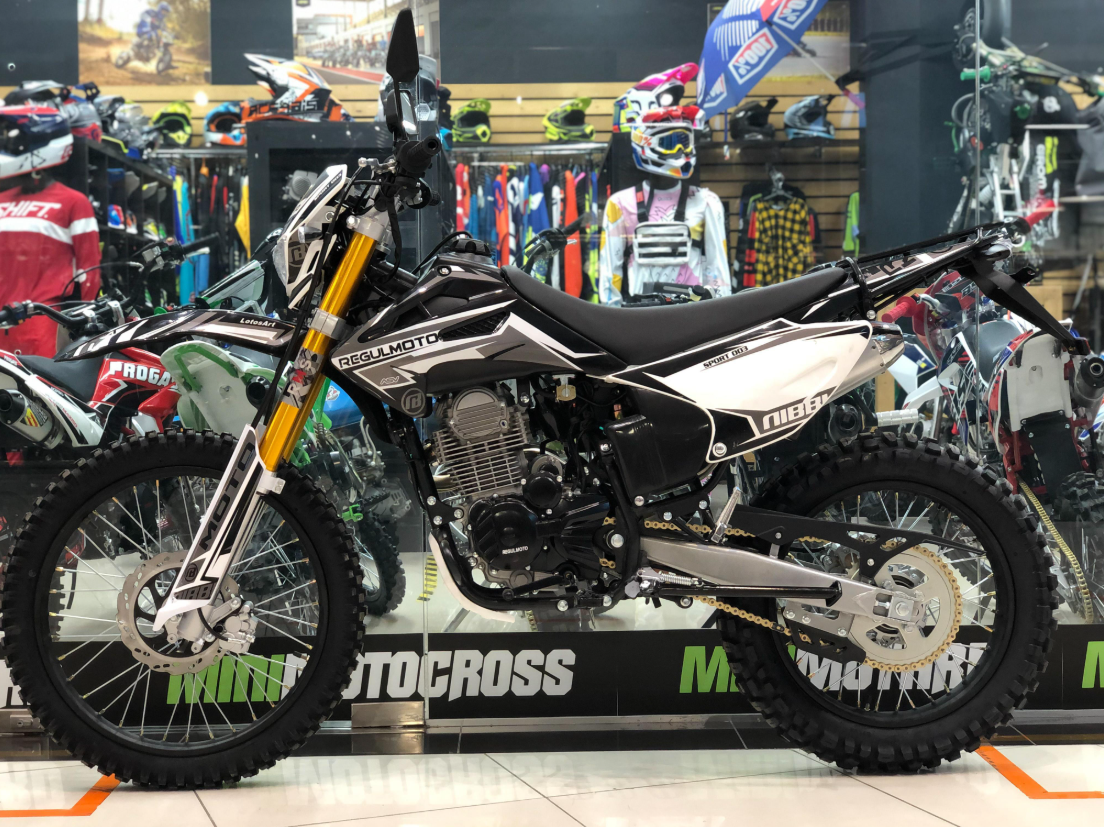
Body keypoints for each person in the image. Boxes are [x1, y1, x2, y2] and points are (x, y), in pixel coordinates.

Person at [0, 107, 100, 357]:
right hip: (3, 323)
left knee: (40, 383)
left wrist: (82, 326)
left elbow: (90, 271)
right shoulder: (1, 199)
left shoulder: (73, 203)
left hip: (43, 325)